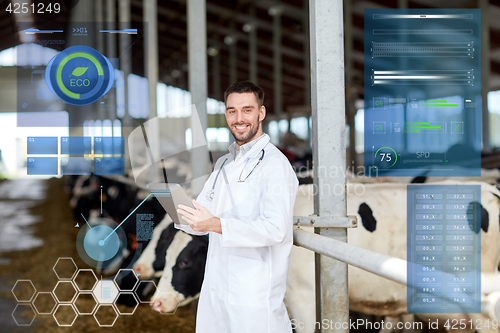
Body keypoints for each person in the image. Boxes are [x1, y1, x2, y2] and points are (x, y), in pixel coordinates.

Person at [175, 81, 298, 333]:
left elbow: (276, 229)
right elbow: (203, 217)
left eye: (247, 110)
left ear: (261, 113)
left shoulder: (275, 165)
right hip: (217, 286)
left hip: (253, 294)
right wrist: (180, 212)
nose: (239, 118)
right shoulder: (223, 163)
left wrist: (215, 224)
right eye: (232, 111)